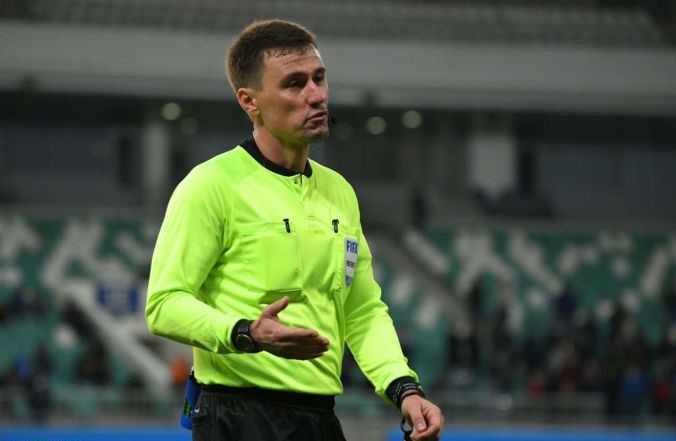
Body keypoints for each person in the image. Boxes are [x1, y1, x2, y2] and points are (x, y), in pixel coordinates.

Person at [145, 19, 444, 441]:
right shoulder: (211, 185)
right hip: (237, 417)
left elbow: (361, 309)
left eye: (319, 78)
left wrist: (404, 388)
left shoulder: (340, 192)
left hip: (320, 419)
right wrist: (247, 332)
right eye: (294, 83)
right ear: (249, 101)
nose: (316, 95)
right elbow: (164, 305)